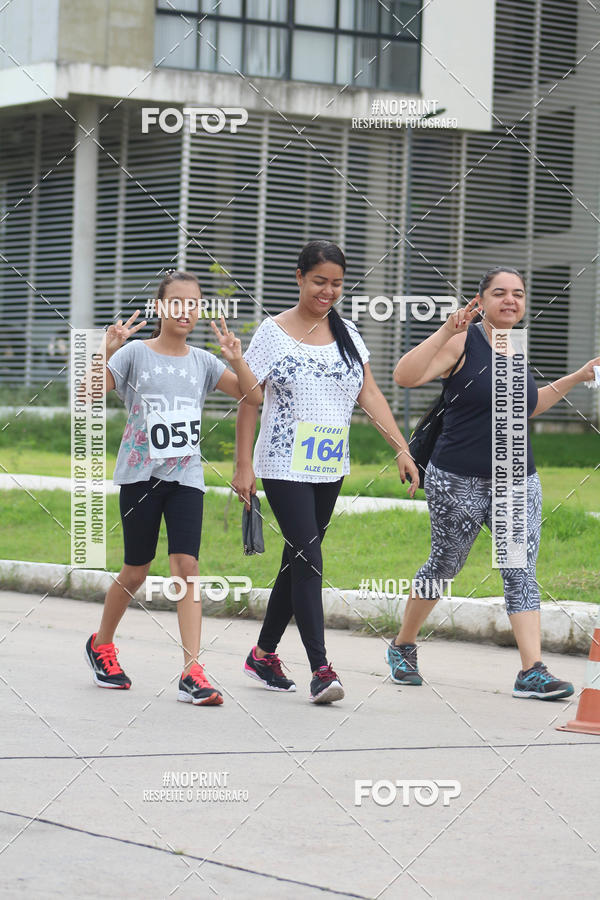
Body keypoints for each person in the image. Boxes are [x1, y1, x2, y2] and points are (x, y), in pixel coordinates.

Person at [388, 265, 600, 700]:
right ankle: (403, 644)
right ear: (480, 300)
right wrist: (446, 331)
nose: (510, 300)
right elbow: (404, 377)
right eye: (500, 293)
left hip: (516, 480)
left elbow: (529, 405)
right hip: (458, 478)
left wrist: (578, 377)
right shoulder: (463, 340)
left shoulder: (512, 344)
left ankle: (532, 670)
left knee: (519, 569)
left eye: (518, 294)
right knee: (445, 565)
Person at [233, 240, 419, 704]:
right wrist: (242, 465)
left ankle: (262, 653)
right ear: (299, 277)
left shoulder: (349, 334)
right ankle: (321, 669)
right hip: (282, 462)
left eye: (336, 283)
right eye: (320, 281)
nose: (328, 291)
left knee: (296, 560)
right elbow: (247, 398)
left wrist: (401, 449)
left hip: (329, 465)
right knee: (310, 561)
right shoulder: (272, 334)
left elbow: (371, 395)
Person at [83, 270, 262, 705]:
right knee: (137, 570)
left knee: (187, 568)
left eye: (193, 302)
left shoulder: (203, 361)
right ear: (161, 307)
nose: (185, 310)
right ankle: (101, 644)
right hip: (140, 477)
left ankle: (192, 671)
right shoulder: (135, 356)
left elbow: (252, 397)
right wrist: (105, 351)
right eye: (176, 301)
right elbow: (88, 392)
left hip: (186, 480)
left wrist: (236, 358)